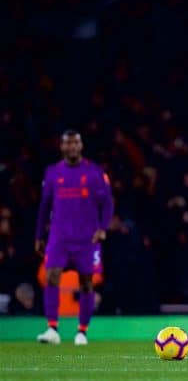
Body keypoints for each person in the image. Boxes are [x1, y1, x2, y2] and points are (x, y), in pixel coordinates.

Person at [35, 130, 114, 345]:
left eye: (75, 143)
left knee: (86, 283)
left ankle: (82, 332)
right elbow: (44, 206)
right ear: (61, 147)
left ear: (81, 146)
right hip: (59, 237)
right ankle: (52, 329)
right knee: (52, 277)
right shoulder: (52, 173)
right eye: (67, 143)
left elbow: (107, 203)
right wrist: (39, 234)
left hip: (86, 238)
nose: (72, 147)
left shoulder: (94, 172)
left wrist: (103, 228)